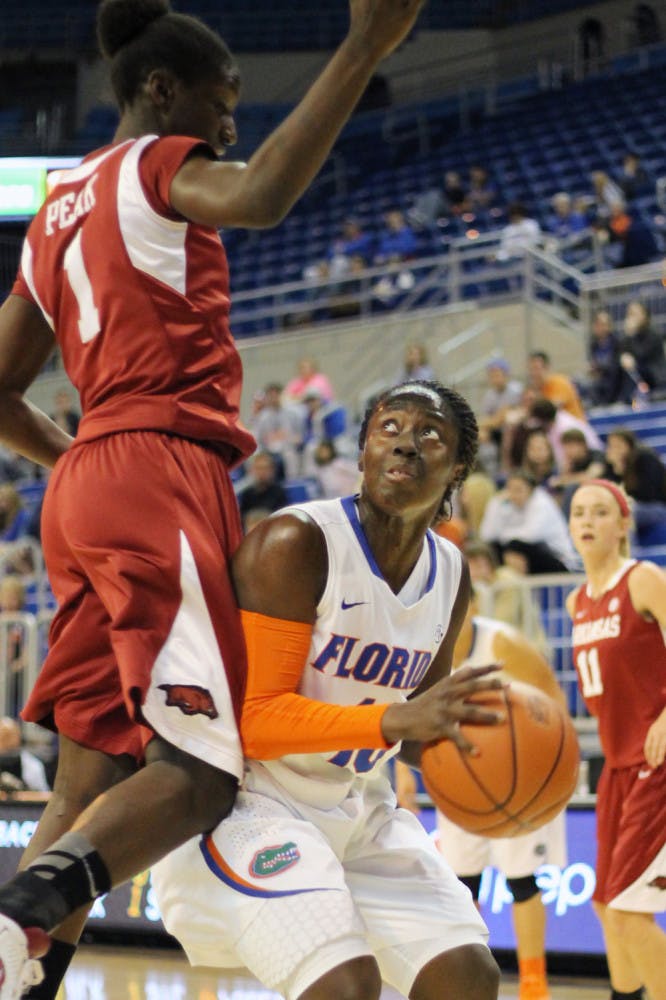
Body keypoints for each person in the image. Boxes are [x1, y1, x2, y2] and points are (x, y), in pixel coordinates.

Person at [0, 0, 428, 994]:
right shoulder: (153, 166)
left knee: (88, 783)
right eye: (221, 106)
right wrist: (365, 45)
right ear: (162, 93)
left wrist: (77, 457)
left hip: (88, 478)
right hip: (160, 468)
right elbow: (266, 193)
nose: (230, 127)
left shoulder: (56, 202)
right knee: (198, 773)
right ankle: (15, 913)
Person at [151, 380, 504, 1000]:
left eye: (430, 434)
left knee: (467, 976)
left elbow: (425, 734)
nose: (405, 445)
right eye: (389, 428)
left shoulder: (450, 572)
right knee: (344, 984)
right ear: (363, 452)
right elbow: (256, 720)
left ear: (459, 468)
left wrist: (492, 762)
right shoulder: (297, 543)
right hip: (251, 802)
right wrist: (396, 723)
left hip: (358, 806)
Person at [396, 594, 569, 1000]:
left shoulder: (503, 643)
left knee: (522, 882)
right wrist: (405, 773)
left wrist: (543, 771)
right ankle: (463, 981)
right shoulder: (422, 653)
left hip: (520, 780)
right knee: (461, 885)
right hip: (458, 784)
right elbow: (405, 709)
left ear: (472, 606)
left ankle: (533, 987)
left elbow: (554, 705)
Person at [566, 479, 666, 1000]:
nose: (588, 521)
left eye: (601, 512)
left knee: (629, 913)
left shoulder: (644, 579)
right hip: (616, 766)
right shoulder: (576, 601)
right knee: (605, 906)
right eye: (579, 511)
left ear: (623, 524)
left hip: (658, 766)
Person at [479, 470, 578, 574]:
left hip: (559, 560)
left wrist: (505, 535)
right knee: (494, 547)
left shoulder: (542, 501)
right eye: (510, 489)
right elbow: (486, 535)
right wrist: (496, 503)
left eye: (518, 489)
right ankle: (513, 582)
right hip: (533, 557)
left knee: (515, 545)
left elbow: (531, 535)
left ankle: (518, 583)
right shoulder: (506, 504)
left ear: (531, 490)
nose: (513, 494)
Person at [603, 429, 666, 535]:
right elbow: (609, 494)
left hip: (657, 507)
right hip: (635, 507)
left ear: (629, 445)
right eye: (611, 446)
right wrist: (617, 469)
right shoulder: (612, 465)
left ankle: (629, 550)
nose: (614, 450)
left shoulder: (645, 459)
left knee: (626, 511)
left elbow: (649, 494)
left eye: (618, 445)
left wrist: (623, 470)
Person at [617, 301, 666, 404]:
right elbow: (622, 352)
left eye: (634, 314)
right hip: (639, 379)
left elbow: (641, 355)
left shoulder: (654, 335)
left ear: (644, 316)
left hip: (655, 379)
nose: (630, 317)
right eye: (629, 314)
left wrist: (630, 334)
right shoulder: (630, 338)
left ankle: (627, 400)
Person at [526, 351, 586, 420]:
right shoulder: (540, 389)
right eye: (530, 369)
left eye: (536, 368)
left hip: (574, 428)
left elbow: (550, 409)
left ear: (547, 367)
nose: (533, 373)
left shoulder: (559, 382)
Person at [237, 451, 289, 530]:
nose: (262, 472)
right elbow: (241, 520)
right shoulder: (247, 493)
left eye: (265, 468)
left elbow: (283, 518)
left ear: (272, 470)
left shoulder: (279, 492)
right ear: (252, 470)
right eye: (258, 468)